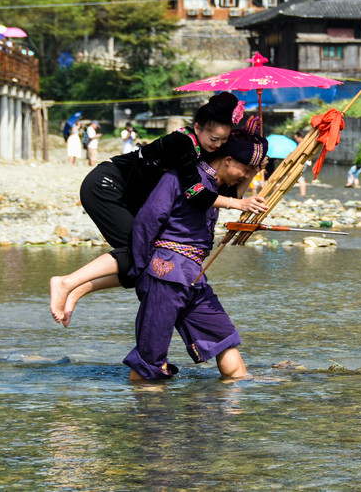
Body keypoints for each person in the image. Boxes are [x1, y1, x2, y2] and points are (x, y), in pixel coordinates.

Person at [49, 92, 267, 327]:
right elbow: (196, 193)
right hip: (106, 185)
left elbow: (229, 195)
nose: (217, 145)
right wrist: (238, 204)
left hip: (128, 196)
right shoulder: (182, 143)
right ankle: (65, 282)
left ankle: (77, 290)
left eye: (223, 141)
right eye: (214, 138)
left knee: (147, 264)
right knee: (138, 251)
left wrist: (254, 169)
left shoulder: (204, 149)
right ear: (197, 127)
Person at [123, 129, 269, 381]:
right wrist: (140, 272)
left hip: (194, 277)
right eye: (244, 170)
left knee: (225, 340)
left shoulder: (214, 186)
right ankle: (148, 416)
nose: (245, 176)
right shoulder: (181, 177)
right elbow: (146, 222)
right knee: (150, 360)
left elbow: (234, 197)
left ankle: (232, 414)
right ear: (227, 160)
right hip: (165, 274)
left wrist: (256, 168)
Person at [292, 130, 308, 195]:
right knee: (300, 177)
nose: (296, 140)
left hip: (302, 162)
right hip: (303, 162)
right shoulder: (305, 143)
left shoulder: (303, 144)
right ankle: (302, 194)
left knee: (300, 177)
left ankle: (302, 194)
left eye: (296, 139)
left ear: (300, 137)